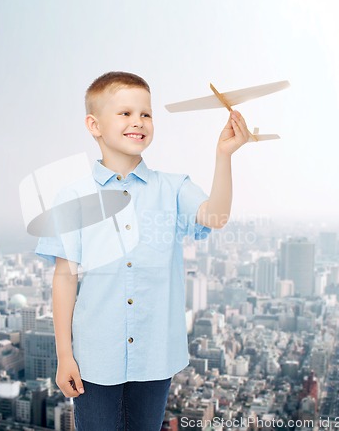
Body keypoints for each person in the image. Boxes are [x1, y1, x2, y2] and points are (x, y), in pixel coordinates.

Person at [35, 71, 249, 430]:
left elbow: (216, 216)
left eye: (146, 114)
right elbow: (64, 278)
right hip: (94, 358)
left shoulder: (174, 187)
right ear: (94, 124)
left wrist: (223, 155)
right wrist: (64, 355)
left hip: (154, 356)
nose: (139, 122)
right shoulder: (73, 197)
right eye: (125, 113)